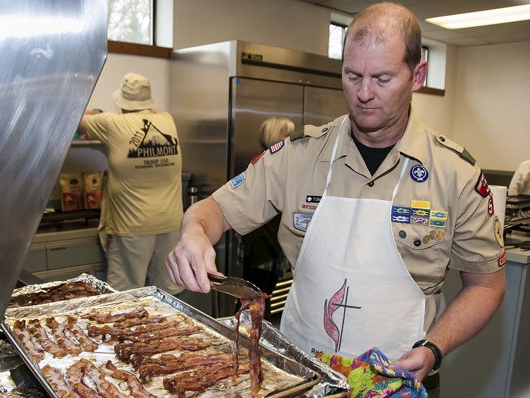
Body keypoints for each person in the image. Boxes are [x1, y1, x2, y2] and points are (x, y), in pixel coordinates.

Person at [165, 2, 506, 394]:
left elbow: (485, 285)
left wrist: (435, 347)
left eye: (382, 78)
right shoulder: (299, 155)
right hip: (297, 374)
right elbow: (215, 208)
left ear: (418, 76)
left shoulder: (455, 175)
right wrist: (193, 235)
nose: (363, 93)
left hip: (399, 378)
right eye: (352, 75)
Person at [79, 72, 184, 294]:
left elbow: (75, 118)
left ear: (122, 102)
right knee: (165, 294)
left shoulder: (112, 123)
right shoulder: (167, 120)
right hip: (170, 223)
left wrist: (96, 112)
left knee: (125, 295)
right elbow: (150, 114)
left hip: (133, 227)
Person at [238, 117, 295, 318]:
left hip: (272, 246)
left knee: (263, 298)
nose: (292, 139)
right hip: (261, 246)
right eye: (286, 135)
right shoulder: (262, 165)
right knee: (254, 300)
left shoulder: (284, 164)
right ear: (274, 138)